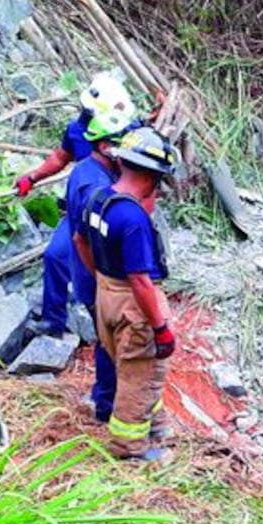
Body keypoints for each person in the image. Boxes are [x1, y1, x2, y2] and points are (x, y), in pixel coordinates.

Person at [74, 127, 179, 460]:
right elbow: (140, 281)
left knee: (140, 369)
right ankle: (129, 448)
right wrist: (160, 328)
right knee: (139, 373)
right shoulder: (133, 218)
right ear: (151, 177)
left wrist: (102, 279)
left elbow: (79, 241)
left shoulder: (98, 199)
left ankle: (155, 424)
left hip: (106, 294)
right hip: (133, 304)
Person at [14, 71, 134, 337]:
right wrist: (32, 177)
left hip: (113, 214)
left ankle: (114, 327)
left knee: (107, 273)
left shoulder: (129, 133)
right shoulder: (79, 129)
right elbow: (61, 157)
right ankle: (53, 321)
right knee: (55, 256)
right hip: (81, 212)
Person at [64, 106, 138, 422]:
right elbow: (89, 240)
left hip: (90, 274)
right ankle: (107, 405)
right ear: (105, 146)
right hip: (97, 277)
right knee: (110, 341)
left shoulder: (86, 171)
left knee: (107, 337)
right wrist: (107, 281)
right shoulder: (94, 189)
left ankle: (104, 396)